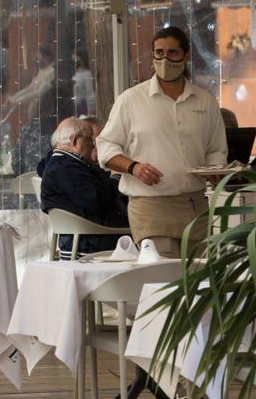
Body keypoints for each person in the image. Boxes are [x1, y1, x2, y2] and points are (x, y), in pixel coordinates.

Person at [97, 26, 227, 257]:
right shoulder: (131, 100)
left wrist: (215, 170)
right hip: (150, 208)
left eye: (173, 53)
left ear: (186, 56)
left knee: (200, 283)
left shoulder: (205, 101)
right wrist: (133, 167)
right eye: (159, 52)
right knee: (162, 282)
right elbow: (105, 146)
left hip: (195, 206)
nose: (165, 59)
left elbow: (216, 149)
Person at [37, 118, 129, 257]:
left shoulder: (63, 163)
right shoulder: (65, 168)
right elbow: (98, 200)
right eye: (90, 141)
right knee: (146, 228)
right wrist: (116, 177)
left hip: (88, 238)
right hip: (90, 242)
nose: (93, 146)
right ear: (74, 141)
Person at [73, 47, 97, 116]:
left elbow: (90, 92)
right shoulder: (75, 73)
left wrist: (90, 110)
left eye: (76, 58)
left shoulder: (87, 74)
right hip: (75, 106)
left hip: (83, 107)